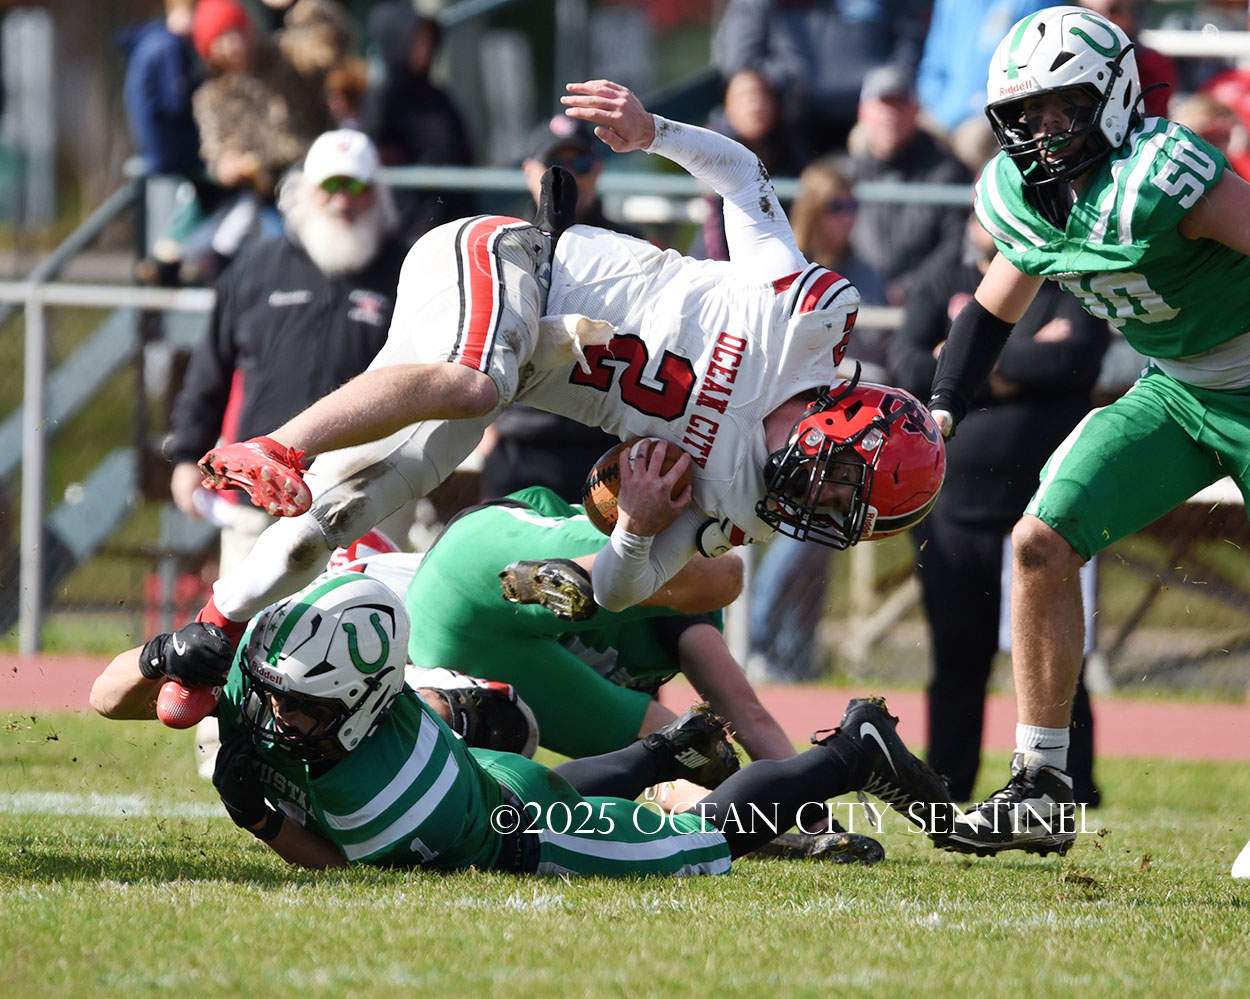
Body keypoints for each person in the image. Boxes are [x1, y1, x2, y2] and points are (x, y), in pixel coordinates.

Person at [190, 79, 946, 673]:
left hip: (519, 363)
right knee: (473, 385)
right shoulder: (803, 319)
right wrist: (655, 133)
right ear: (847, 419)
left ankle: (211, 631)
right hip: (516, 264)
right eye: (842, 484)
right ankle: (278, 444)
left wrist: (636, 526)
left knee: (341, 513)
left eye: (841, 511)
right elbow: (746, 179)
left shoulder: (742, 495)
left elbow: (619, 588)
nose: (820, 500)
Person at [925, 6, 1250, 857]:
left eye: (1060, 106)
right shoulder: (1032, 199)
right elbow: (991, 312)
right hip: (1177, 390)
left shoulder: (1164, 173)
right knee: (1040, 540)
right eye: (1025, 113)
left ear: (1113, 96)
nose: (1041, 130)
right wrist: (943, 408)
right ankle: (1041, 784)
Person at [89, 571, 952, 875]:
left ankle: (852, 749)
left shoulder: (386, 796)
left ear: (360, 703)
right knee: (548, 788)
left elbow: (340, 865)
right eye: (275, 691)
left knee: (696, 839)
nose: (277, 711)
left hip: (505, 829)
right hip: (488, 781)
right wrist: (162, 655)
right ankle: (666, 748)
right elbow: (102, 697)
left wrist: (262, 818)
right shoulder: (271, 668)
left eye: (304, 704)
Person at [888, 211, 1110, 804]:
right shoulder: (940, 281)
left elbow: (1077, 360)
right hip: (952, 512)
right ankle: (947, 784)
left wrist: (968, 360)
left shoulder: (1068, 280)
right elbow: (908, 365)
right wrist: (1020, 360)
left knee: (1056, 656)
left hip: (1049, 515)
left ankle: (1070, 784)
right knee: (957, 655)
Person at [166, 129, 407, 575]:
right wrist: (186, 456)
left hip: (368, 493)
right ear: (304, 191)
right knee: (243, 613)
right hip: (261, 494)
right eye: (330, 185)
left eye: (356, 186)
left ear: (378, 192)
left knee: (363, 612)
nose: (343, 199)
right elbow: (210, 370)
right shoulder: (257, 268)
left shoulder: (406, 271)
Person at [746, 158, 890, 682]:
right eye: (836, 206)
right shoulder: (792, 267)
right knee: (792, 538)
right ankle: (757, 641)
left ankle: (794, 657)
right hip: (789, 425)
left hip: (845, 427)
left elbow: (879, 348)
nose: (847, 217)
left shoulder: (864, 270)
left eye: (852, 206)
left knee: (819, 540)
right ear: (812, 209)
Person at [475, 115, 628, 504]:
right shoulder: (501, 247)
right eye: (555, 166)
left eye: (580, 164)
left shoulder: (632, 248)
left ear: (598, 168)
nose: (568, 177)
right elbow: (475, 339)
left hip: (603, 445)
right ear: (529, 171)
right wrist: (483, 432)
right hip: (518, 443)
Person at [713, 0, 929, 156]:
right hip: (794, 121)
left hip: (870, 111)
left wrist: (893, 82)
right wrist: (793, 77)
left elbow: (909, 39)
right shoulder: (759, 6)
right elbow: (741, 65)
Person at [847, 65, 972, 307]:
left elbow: (955, 244)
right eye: (883, 105)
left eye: (899, 105)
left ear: (915, 111)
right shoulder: (849, 174)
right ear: (863, 112)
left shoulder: (947, 172)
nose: (891, 115)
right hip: (857, 299)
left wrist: (907, 289)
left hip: (926, 305)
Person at [359, 1, 474, 241]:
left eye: (428, 41)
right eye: (417, 42)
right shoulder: (382, 101)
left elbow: (463, 153)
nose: (425, 50)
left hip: (452, 221)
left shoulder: (439, 98)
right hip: (403, 228)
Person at [698, 69, 812, 262]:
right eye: (743, 97)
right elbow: (714, 228)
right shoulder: (711, 148)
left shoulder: (790, 145)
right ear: (727, 107)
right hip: (723, 263)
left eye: (761, 95)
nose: (754, 105)